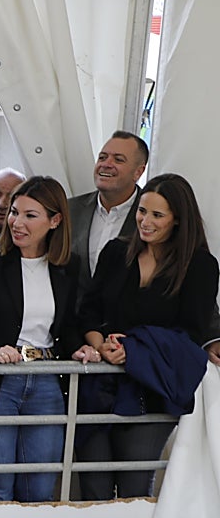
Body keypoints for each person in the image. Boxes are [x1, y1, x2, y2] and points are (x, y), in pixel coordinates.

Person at [73, 173, 219, 499]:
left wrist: (132, 349)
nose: (145, 221)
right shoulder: (115, 252)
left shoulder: (200, 265)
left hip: (154, 390)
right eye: (142, 211)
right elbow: (88, 311)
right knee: (92, 485)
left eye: (157, 215)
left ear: (179, 220)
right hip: (100, 387)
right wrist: (101, 345)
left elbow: (191, 331)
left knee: (134, 487)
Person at [0, 176, 80, 503]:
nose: (16, 222)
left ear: (55, 221)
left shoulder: (68, 265)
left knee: (38, 488)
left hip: (48, 380)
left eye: (30, 215)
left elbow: (71, 325)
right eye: (14, 212)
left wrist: (83, 346)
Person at [68, 131, 147, 297]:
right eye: (102, 157)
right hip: (72, 320)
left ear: (138, 172)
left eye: (118, 160)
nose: (106, 164)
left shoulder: (151, 216)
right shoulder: (70, 210)